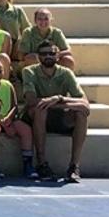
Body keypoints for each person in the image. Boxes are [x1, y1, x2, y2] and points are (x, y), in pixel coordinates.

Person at [22, 42, 89, 183]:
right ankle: (42, 163)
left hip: (58, 115)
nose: (48, 56)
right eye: (44, 53)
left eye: (51, 53)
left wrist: (57, 99)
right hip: (37, 116)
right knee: (41, 109)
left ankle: (74, 166)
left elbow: (84, 103)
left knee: (81, 114)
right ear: (38, 57)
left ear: (58, 56)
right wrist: (51, 103)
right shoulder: (29, 71)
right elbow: (31, 100)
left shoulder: (66, 73)